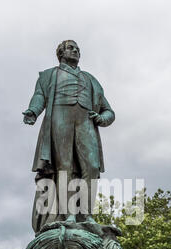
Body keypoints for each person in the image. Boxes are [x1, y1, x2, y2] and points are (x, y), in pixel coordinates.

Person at [23, 40, 115, 233]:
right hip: (59, 117)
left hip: (86, 121)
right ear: (60, 53)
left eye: (77, 49)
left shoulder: (90, 79)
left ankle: (86, 215)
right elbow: (40, 96)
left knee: (91, 166)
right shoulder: (49, 75)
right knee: (64, 166)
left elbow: (109, 111)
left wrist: (101, 118)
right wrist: (33, 111)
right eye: (71, 48)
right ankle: (69, 214)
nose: (75, 51)